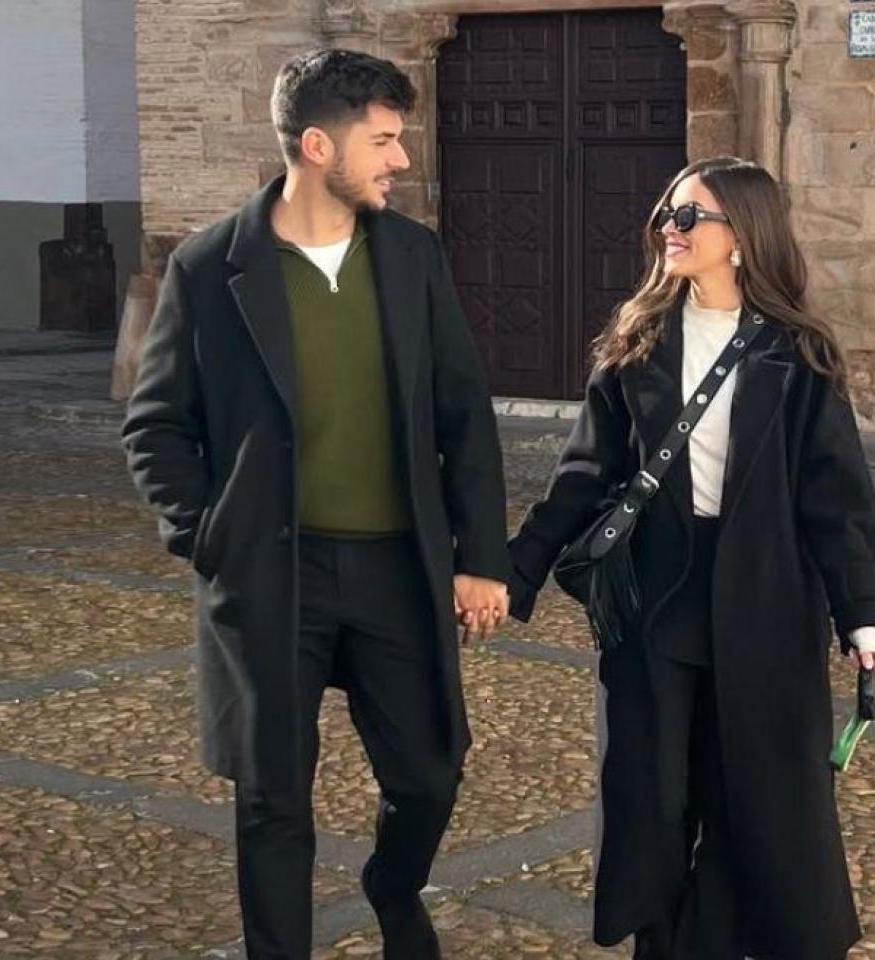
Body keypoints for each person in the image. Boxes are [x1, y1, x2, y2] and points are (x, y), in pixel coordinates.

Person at [122, 48, 510, 960]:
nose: (401, 160)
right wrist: (206, 534)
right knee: (272, 799)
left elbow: (465, 413)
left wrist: (481, 554)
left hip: (395, 567)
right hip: (270, 571)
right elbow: (155, 425)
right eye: (382, 141)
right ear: (316, 145)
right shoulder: (209, 266)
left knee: (428, 774)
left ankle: (391, 884)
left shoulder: (412, 257)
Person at [505, 157, 875, 960]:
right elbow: (584, 475)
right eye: (668, 216)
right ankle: (665, 941)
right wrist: (514, 569)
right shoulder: (638, 339)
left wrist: (864, 616)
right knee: (651, 796)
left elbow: (836, 499)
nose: (671, 231)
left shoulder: (799, 354)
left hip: (767, 597)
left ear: (744, 238)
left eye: (692, 217)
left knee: (756, 796)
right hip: (657, 596)